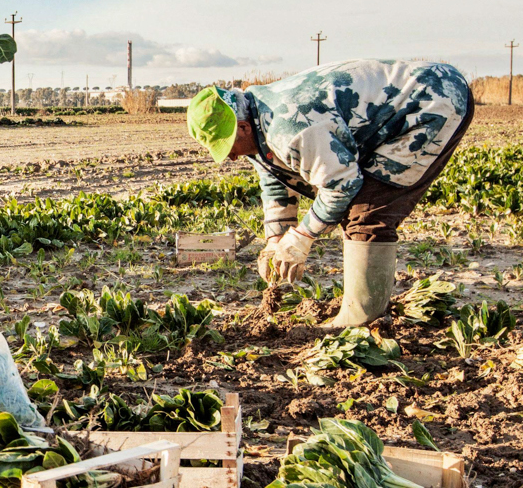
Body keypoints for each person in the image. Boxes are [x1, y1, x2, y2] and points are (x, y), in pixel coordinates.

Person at [185, 60, 475, 330]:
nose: (232, 158)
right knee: (359, 207)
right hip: (403, 108)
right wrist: (275, 239)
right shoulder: (256, 119)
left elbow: (341, 185)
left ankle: (362, 320)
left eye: (229, 147)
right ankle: (362, 310)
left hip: (432, 102)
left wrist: (302, 237)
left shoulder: (290, 128)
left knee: (367, 213)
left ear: (244, 127)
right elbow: (275, 177)